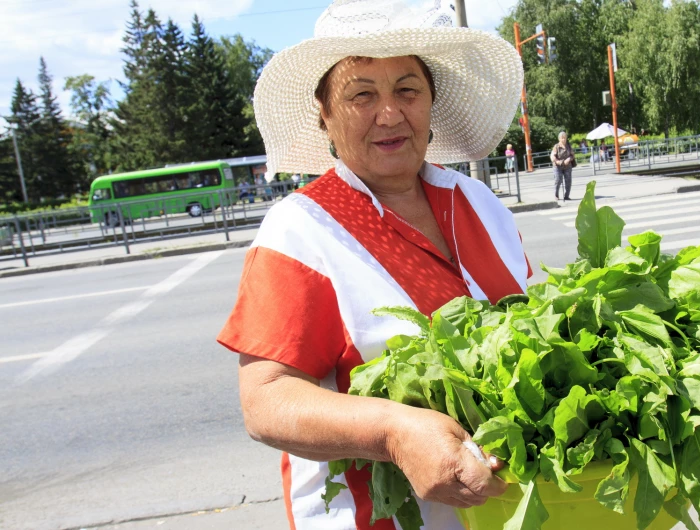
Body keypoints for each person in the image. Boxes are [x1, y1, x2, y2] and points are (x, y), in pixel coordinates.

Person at [216, 1, 530, 528]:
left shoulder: (479, 202)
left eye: (407, 89)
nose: (389, 113)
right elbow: (266, 402)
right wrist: (394, 431)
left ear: (431, 101)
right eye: (362, 94)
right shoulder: (301, 229)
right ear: (325, 113)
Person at [550, 131, 574, 201]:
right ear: (559, 139)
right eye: (562, 138)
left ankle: (567, 196)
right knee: (558, 180)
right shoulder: (556, 146)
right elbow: (553, 157)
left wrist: (569, 159)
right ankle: (556, 195)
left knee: (568, 181)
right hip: (558, 166)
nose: (563, 139)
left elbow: (573, 155)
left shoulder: (569, 146)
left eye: (565, 138)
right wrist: (558, 161)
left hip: (567, 166)